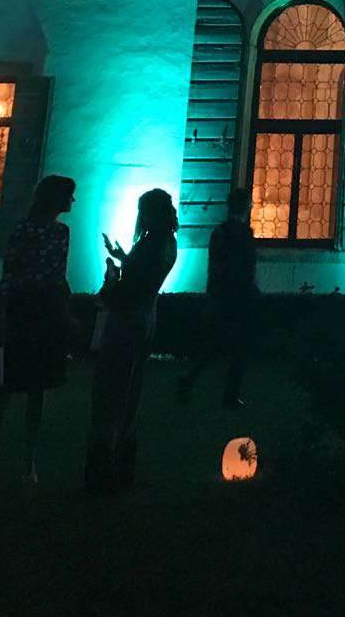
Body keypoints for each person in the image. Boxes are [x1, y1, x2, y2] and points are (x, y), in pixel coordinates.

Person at [0, 175, 76, 485]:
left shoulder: (58, 231)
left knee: (33, 389)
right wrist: (3, 313)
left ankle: (25, 462)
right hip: (26, 309)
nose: (72, 201)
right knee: (7, 387)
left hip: (42, 310)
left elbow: (53, 274)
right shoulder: (33, 231)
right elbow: (14, 272)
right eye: (68, 195)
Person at [85, 187, 178, 494]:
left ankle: (103, 467)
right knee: (129, 390)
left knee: (111, 391)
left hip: (126, 320)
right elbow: (146, 276)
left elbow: (130, 288)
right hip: (146, 318)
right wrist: (124, 258)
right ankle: (123, 463)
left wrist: (111, 278)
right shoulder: (168, 243)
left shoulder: (150, 243)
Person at [177, 188, 258, 408]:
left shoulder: (219, 232)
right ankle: (230, 395)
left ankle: (189, 380)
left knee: (213, 345)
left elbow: (215, 267)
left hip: (220, 295)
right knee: (240, 348)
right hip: (238, 297)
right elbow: (247, 268)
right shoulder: (244, 234)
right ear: (245, 207)